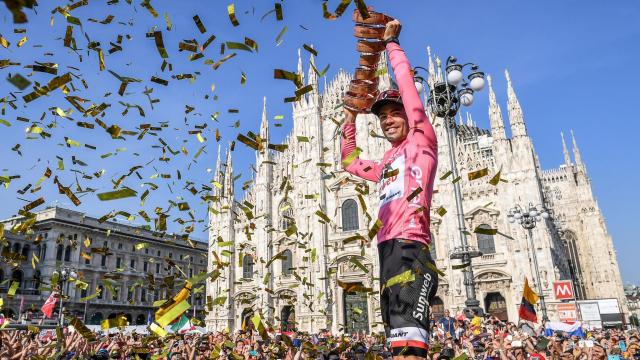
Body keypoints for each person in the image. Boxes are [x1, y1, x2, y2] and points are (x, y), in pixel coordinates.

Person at [341, 18, 438, 360]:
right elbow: (351, 162)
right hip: (387, 252)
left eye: (394, 113)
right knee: (399, 347)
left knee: (412, 348)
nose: (387, 120)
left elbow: (410, 92)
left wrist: (392, 45)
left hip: (412, 249)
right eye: (382, 116)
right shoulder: (385, 164)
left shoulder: (422, 141)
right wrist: (350, 118)